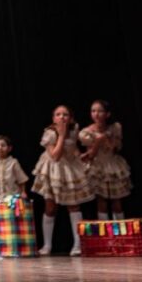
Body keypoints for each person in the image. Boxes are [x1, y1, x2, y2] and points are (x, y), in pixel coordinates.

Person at [31, 105, 94, 255]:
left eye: (65, 114)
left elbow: (73, 149)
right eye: (58, 114)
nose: (62, 117)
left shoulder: (74, 129)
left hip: (70, 169)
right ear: (53, 118)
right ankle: (47, 245)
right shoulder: (50, 133)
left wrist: (80, 156)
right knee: (50, 208)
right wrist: (61, 135)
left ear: (71, 117)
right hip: (53, 170)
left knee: (73, 206)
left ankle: (78, 245)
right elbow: (55, 156)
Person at [79, 99, 132, 220]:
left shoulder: (115, 127)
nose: (96, 114)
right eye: (93, 111)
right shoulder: (86, 132)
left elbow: (115, 148)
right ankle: (106, 234)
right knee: (101, 201)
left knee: (116, 201)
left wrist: (107, 137)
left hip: (112, 164)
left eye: (100, 111)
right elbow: (91, 154)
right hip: (97, 165)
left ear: (107, 114)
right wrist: (98, 140)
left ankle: (120, 233)